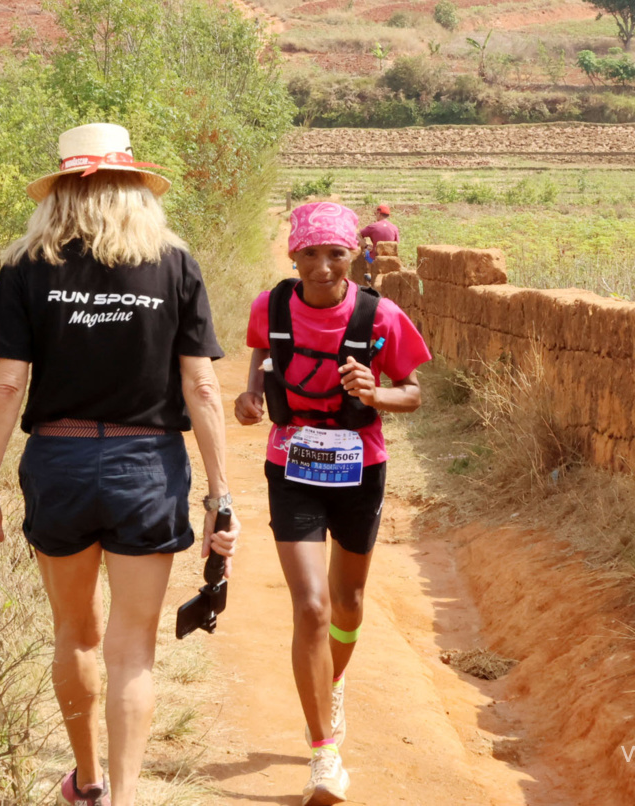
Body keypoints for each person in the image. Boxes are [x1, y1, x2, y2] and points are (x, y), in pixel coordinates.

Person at [0, 123, 239, 806]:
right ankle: (123, 798)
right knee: (132, 649)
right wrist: (220, 495)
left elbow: (6, 384)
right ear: (135, 187)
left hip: (58, 461)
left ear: (60, 189)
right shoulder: (175, 264)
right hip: (146, 464)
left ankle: (85, 783)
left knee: (75, 634)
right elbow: (203, 387)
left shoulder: (27, 265)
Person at [233, 202, 430, 805]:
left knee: (347, 602)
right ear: (292, 255)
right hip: (291, 465)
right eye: (310, 254)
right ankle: (325, 758)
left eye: (335, 254)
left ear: (355, 256)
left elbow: (414, 394)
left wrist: (378, 392)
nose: (322, 267)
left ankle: (332, 680)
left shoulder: (382, 316)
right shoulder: (270, 308)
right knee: (313, 608)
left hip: (360, 469)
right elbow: (260, 360)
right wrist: (249, 397)